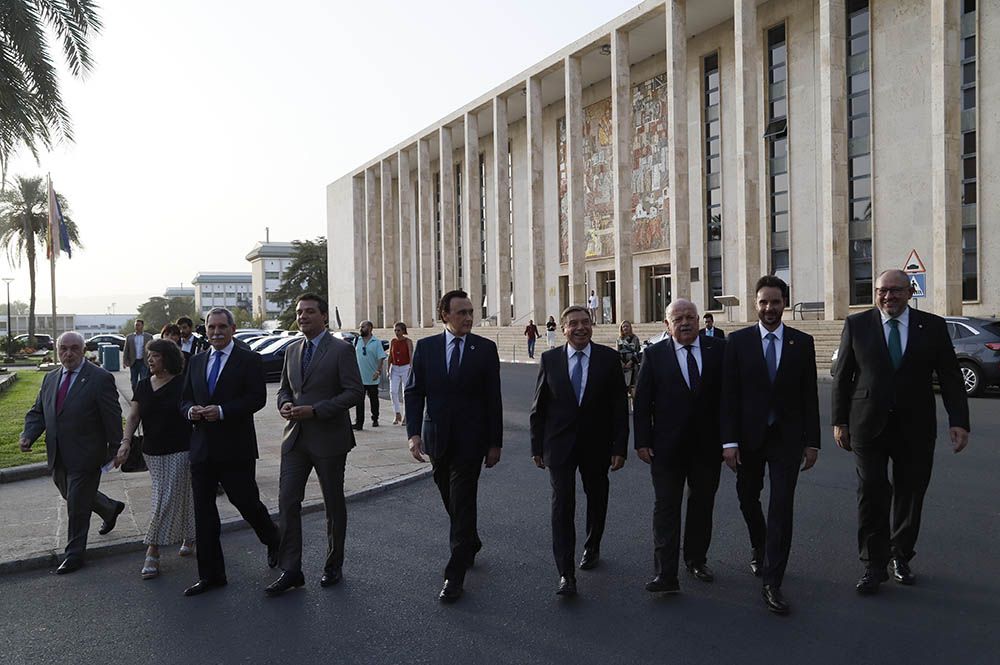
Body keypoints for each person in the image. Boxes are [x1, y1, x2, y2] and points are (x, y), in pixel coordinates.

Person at [832, 269, 969, 595]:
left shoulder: (932, 327)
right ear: (875, 293)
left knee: (910, 493)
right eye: (882, 291)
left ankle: (901, 555)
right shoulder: (857, 324)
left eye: (895, 291)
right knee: (872, 491)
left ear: (910, 292)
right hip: (867, 423)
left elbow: (950, 376)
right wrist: (840, 421)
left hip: (916, 425)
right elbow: (842, 376)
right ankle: (872, 565)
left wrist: (958, 421)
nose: (888, 297)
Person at [721, 275, 820, 615]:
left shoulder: (801, 343)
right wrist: (729, 442)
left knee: (781, 507)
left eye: (775, 302)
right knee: (748, 498)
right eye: (763, 302)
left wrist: (813, 443)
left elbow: (810, 397)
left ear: (784, 304)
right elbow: (729, 396)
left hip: (787, 440)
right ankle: (758, 544)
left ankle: (772, 581)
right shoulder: (737, 342)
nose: (769, 308)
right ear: (756, 304)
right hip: (748, 440)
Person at [405, 289, 503, 603]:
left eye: (471, 312)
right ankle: (470, 540)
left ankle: (455, 573)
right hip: (436, 438)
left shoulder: (484, 349)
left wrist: (494, 442)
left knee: (463, 500)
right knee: (449, 496)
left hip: (471, 442)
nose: (468, 318)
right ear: (445, 315)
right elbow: (414, 392)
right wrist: (414, 433)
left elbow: (493, 400)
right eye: (461, 313)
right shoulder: (427, 347)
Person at [265, 294, 364, 596]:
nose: (303, 316)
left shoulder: (341, 350)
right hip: (295, 438)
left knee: (333, 504)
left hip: (329, 439)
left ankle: (333, 564)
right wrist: (284, 405)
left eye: (309, 311)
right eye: (299, 312)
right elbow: (284, 389)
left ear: (323, 316)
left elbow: (354, 392)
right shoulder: (293, 350)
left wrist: (317, 410)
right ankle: (291, 569)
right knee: (287, 502)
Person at [179, 307, 280, 597]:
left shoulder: (248, 359)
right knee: (204, 514)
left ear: (233, 329)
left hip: (236, 448)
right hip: (201, 450)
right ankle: (211, 575)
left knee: (247, 503)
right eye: (211, 327)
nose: (216, 332)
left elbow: (256, 398)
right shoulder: (196, 362)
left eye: (222, 327)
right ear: (206, 330)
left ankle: (273, 538)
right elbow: (184, 399)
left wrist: (222, 411)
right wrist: (190, 412)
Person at [529, 305, 628, 596]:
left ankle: (592, 544)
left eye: (585, 322)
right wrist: (536, 446)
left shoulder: (608, 359)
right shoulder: (550, 360)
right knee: (562, 506)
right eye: (573, 324)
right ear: (563, 330)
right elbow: (539, 408)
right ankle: (565, 573)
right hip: (559, 446)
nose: (580, 328)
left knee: (597, 498)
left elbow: (619, 408)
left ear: (592, 326)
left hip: (597, 446)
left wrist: (619, 446)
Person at [633, 299, 725, 595]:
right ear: (667, 325)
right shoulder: (654, 354)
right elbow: (642, 400)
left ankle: (696, 560)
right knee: (666, 508)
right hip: (666, 448)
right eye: (678, 318)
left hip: (707, 448)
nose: (685, 322)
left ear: (699, 320)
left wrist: (730, 441)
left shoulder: (718, 350)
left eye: (690, 317)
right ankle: (665, 573)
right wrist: (642, 442)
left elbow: (729, 399)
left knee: (702, 505)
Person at [19, 331, 125, 574]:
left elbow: (111, 415)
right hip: (58, 453)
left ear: (84, 349)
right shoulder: (50, 379)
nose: (68, 353)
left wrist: (116, 447)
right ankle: (109, 508)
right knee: (71, 494)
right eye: (63, 349)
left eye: (74, 348)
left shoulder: (99, 378)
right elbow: (38, 412)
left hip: (87, 453)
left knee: (76, 504)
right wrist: (28, 435)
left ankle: (74, 554)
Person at [115, 339, 195, 580]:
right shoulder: (142, 385)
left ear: (167, 358)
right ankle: (189, 535)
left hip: (181, 448)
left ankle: (153, 550)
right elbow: (133, 416)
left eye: (155, 356)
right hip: (152, 451)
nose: (149, 359)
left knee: (169, 496)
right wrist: (126, 442)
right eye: (149, 355)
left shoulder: (183, 384)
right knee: (173, 494)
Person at [353, 320, 386, 430]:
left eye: (363, 327)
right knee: (359, 401)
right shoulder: (357, 340)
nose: (360, 329)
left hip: (372, 377)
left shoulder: (376, 342)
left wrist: (378, 371)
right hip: (359, 377)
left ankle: (375, 418)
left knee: (373, 399)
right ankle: (359, 422)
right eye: (360, 327)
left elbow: (381, 357)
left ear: (370, 328)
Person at [387, 322, 414, 425]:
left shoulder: (408, 341)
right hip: (394, 368)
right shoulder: (393, 341)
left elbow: (411, 355)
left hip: (405, 367)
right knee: (393, 391)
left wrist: (411, 368)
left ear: (403, 331)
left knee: (405, 392)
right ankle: (397, 413)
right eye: (395, 330)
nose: (397, 332)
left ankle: (406, 415)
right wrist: (388, 369)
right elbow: (390, 355)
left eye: (398, 330)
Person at [124, 319, 154, 391]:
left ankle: (142, 398)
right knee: (134, 382)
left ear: (142, 326)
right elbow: (126, 350)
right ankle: (135, 397)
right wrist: (125, 361)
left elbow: (152, 350)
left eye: (138, 325)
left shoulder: (148, 337)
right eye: (135, 325)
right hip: (133, 362)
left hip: (144, 362)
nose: (136, 327)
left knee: (143, 381)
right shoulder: (129, 337)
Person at [616, 320, 642, 398]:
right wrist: (622, 363)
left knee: (634, 387)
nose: (625, 328)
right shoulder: (619, 339)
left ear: (630, 327)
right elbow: (617, 352)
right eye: (623, 326)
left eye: (627, 326)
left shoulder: (635, 338)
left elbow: (637, 351)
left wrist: (630, 362)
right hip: (622, 366)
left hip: (633, 365)